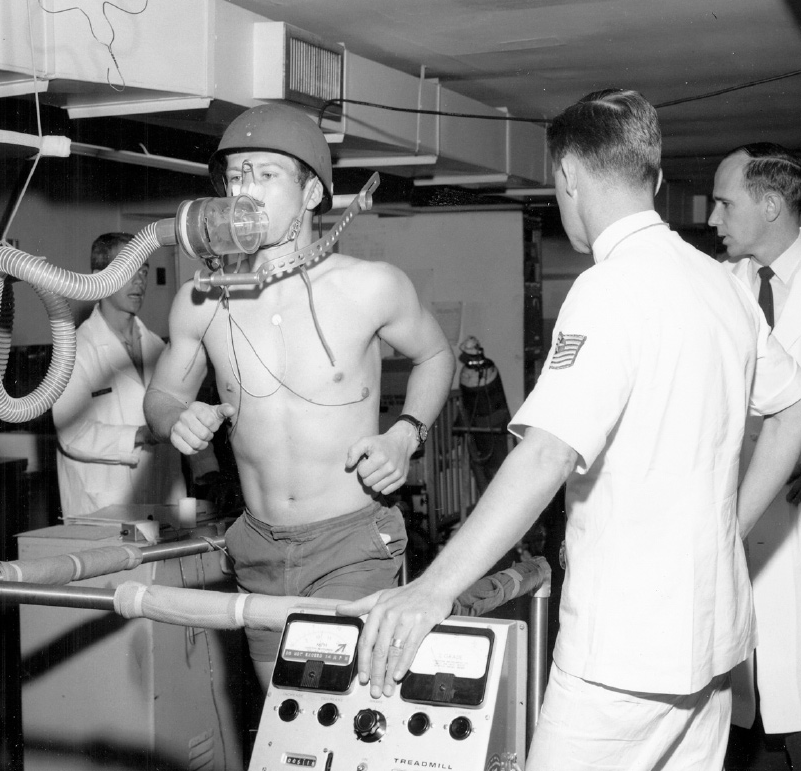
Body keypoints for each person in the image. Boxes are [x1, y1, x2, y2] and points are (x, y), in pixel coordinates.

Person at [339, 89, 801, 771]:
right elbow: (791, 411)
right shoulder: (720, 283)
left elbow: (548, 453)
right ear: (658, 181)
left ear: (568, 179)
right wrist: (728, 527)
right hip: (711, 640)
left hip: (623, 656)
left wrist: (429, 591)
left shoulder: (609, 289)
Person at [143, 103, 456, 687]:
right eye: (235, 175)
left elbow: (435, 355)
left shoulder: (371, 285)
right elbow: (160, 395)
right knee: (285, 725)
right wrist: (175, 417)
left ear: (312, 192)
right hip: (257, 543)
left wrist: (404, 435)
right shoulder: (202, 298)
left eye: (265, 174)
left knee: (338, 712)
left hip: (349, 542)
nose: (244, 191)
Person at [710, 142, 801, 768]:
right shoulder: (714, 288)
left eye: (724, 202)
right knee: (741, 718)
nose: (712, 220)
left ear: (770, 204)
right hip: (736, 514)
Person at [53, 232, 191, 519]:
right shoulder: (75, 350)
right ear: (98, 277)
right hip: (102, 507)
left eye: (143, 271)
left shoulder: (158, 346)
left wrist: (206, 470)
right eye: (129, 270)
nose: (139, 281)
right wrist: (139, 435)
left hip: (162, 496)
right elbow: (71, 434)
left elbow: (183, 414)